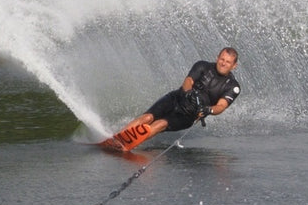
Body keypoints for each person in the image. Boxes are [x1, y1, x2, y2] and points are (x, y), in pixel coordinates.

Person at [103, 47, 241, 151]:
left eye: (228, 62)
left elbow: (221, 106)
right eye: (222, 59)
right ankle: (116, 139)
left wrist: (208, 110)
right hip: (176, 98)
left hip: (188, 115)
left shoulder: (233, 86)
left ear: (234, 65)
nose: (223, 63)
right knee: (147, 118)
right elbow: (188, 81)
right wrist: (188, 93)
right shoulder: (202, 66)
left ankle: (127, 145)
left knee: (161, 124)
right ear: (217, 57)